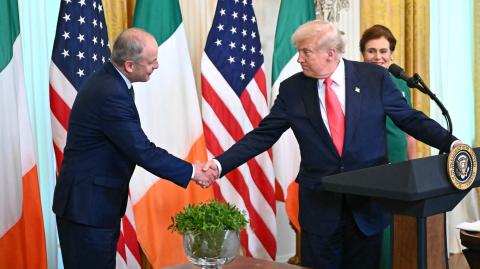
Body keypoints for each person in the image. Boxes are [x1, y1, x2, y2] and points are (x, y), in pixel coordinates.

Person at [203, 20, 459, 269]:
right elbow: (263, 136)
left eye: (306, 52)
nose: (300, 59)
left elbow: (411, 120)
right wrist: (218, 164)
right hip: (320, 209)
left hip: (366, 206)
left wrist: (454, 144)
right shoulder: (292, 89)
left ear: (330, 53)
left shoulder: (374, 78)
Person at [52, 28, 216, 269]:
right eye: (152, 62)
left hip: (91, 206)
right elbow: (142, 151)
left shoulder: (111, 82)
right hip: (87, 209)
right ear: (129, 65)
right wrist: (193, 172)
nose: (157, 66)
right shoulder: (110, 93)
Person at [359, 24, 416, 269]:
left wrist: (413, 169)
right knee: (373, 226)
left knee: (397, 228)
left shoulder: (401, 84)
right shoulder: (354, 82)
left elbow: (410, 131)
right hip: (369, 165)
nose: (378, 57)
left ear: (392, 54)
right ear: (362, 53)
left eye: (383, 51)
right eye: (371, 51)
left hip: (398, 163)